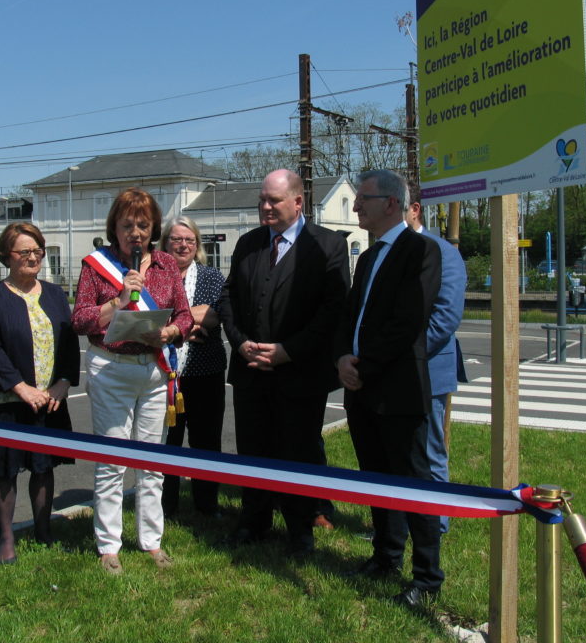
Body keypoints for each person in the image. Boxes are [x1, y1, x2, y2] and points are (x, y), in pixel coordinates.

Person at [219, 169, 350, 557]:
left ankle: (299, 526)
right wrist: (240, 343)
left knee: (299, 450)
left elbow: (332, 310)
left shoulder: (327, 245)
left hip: (299, 372)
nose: (264, 207)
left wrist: (288, 351)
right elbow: (228, 298)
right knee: (253, 448)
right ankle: (253, 520)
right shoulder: (248, 244)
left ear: (297, 202)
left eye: (273, 201)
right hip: (250, 372)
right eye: (262, 199)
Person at [334, 169, 443, 608]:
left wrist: (366, 366)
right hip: (360, 387)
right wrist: (342, 357)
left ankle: (428, 577)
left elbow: (407, 321)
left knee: (414, 482)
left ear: (392, 204)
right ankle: (385, 556)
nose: (356, 206)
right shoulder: (368, 256)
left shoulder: (421, 251)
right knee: (376, 479)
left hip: (396, 389)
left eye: (363, 199)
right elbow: (350, 316)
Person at [71, 187, 193, 575]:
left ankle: (151, 541)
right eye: (128, 225)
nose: (136, 233)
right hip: (111, 370)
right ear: (115, 228)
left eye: (143, 225)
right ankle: (109, 545)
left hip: (155, 370)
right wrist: (118, 302)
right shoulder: (95, 266)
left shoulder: (166, 266)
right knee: (112, 461)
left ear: (154, 227)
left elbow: (186, 317)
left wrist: (170, 332)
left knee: (152, 462)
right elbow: (80, 321)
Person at [0, 222, 80, 565]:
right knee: (5, 471)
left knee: (43, 465)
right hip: (10, 399)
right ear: (7, 256)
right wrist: (19, 388)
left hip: (49, 399)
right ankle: (6, 537)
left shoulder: (53, 293)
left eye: (37, 251)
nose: (33, 257)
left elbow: (68, 340)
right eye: (25, 252)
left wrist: (63, 382)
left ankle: (43, 529)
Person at [405, 187, 467, 533]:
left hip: (427, 368)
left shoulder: (443, 252)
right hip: (393, 371)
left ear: (414, 210)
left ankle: (436, 522)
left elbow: (445, 317)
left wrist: (403, 356)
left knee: (430, 450)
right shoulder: (383, 250)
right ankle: (401, 519)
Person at [158, 216, 226, 519]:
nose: (183, 245)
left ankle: (207, 505)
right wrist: (187, 325)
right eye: (176, 239)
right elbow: (148, 314)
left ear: (196, 245)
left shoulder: (212, 277)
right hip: (163, 374)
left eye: (189, 240)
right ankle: (165, 506)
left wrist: (173, 322)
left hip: (205, 372)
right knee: (167, 441)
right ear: (165, 243)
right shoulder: (154, 276)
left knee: (206, 441)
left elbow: (214, 316)